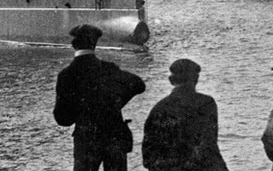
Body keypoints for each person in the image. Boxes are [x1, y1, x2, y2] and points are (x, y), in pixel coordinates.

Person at [53, 23, 146, 171]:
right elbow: (139, 84)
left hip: (86, 139)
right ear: (95, 44)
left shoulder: (66, 75)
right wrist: (116, 102)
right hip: (114, 136)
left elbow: (62, 119)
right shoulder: (109, 68)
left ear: (74, 45)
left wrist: (80, 112)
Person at [141, 58, 228, 170]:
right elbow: (208, 146)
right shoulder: (205, 103)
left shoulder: (159, 108)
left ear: (171, 80)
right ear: (196, 79)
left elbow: (148, 156)